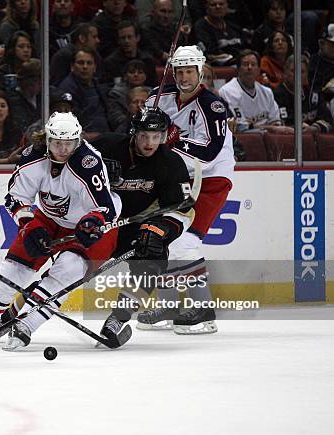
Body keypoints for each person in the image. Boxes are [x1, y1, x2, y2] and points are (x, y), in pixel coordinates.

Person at [0, 111, 121, 350]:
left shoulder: (89, 162)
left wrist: (92, 222)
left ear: (78, 140)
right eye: (57, 143)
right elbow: (15, 198)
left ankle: (26, 324)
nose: (63, 149)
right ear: (48, 139)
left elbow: (105, 206)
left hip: (87, 223)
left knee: (67, 270)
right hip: (48, 218)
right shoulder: (31, 157)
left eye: (69, 143)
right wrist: (30, 226)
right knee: (12, 271)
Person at [143, 45, 235, 334]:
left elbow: (209, 152)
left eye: (189, 70)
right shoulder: (159, 98)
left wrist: (172, 140)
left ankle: (204, 313)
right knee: (164, 238)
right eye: (179, 70)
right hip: (177, 178)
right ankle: (169, 307)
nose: (183, 76)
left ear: (201, 71)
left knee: (185, 242)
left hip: (210, 179)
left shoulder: (213, 106)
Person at [89, 107, 193, 340]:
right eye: (144, 135)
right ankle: (25, 310)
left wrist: (160, 231)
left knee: (151, 257)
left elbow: (182, 212)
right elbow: (69, 159)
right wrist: (98, 169)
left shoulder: (170, 163)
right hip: (97, 222)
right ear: (134, 133)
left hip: (135, 224)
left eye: (157, 137)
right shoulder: (106, 147)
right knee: (70, 265)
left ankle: (119, 318)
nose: (150, 143)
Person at [219, 49, 292, 134]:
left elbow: (275, 122)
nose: (249, 67)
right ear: (238, 69)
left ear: (258, 70)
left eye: (253, 64)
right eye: (245, 64)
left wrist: (270, 128)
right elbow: (240, 127)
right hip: (242, 142)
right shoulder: (227, 92)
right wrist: (269, 127)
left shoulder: (266, 92)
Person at [274, 55, 333, 134]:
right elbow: (282, 124)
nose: (297, 75)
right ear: (285, 72)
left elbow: (328, 120)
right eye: (293, 71)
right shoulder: (277, 95)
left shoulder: (313, 94)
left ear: (307, 74)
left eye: (302, 72)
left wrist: (315, 128)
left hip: (313, 140)